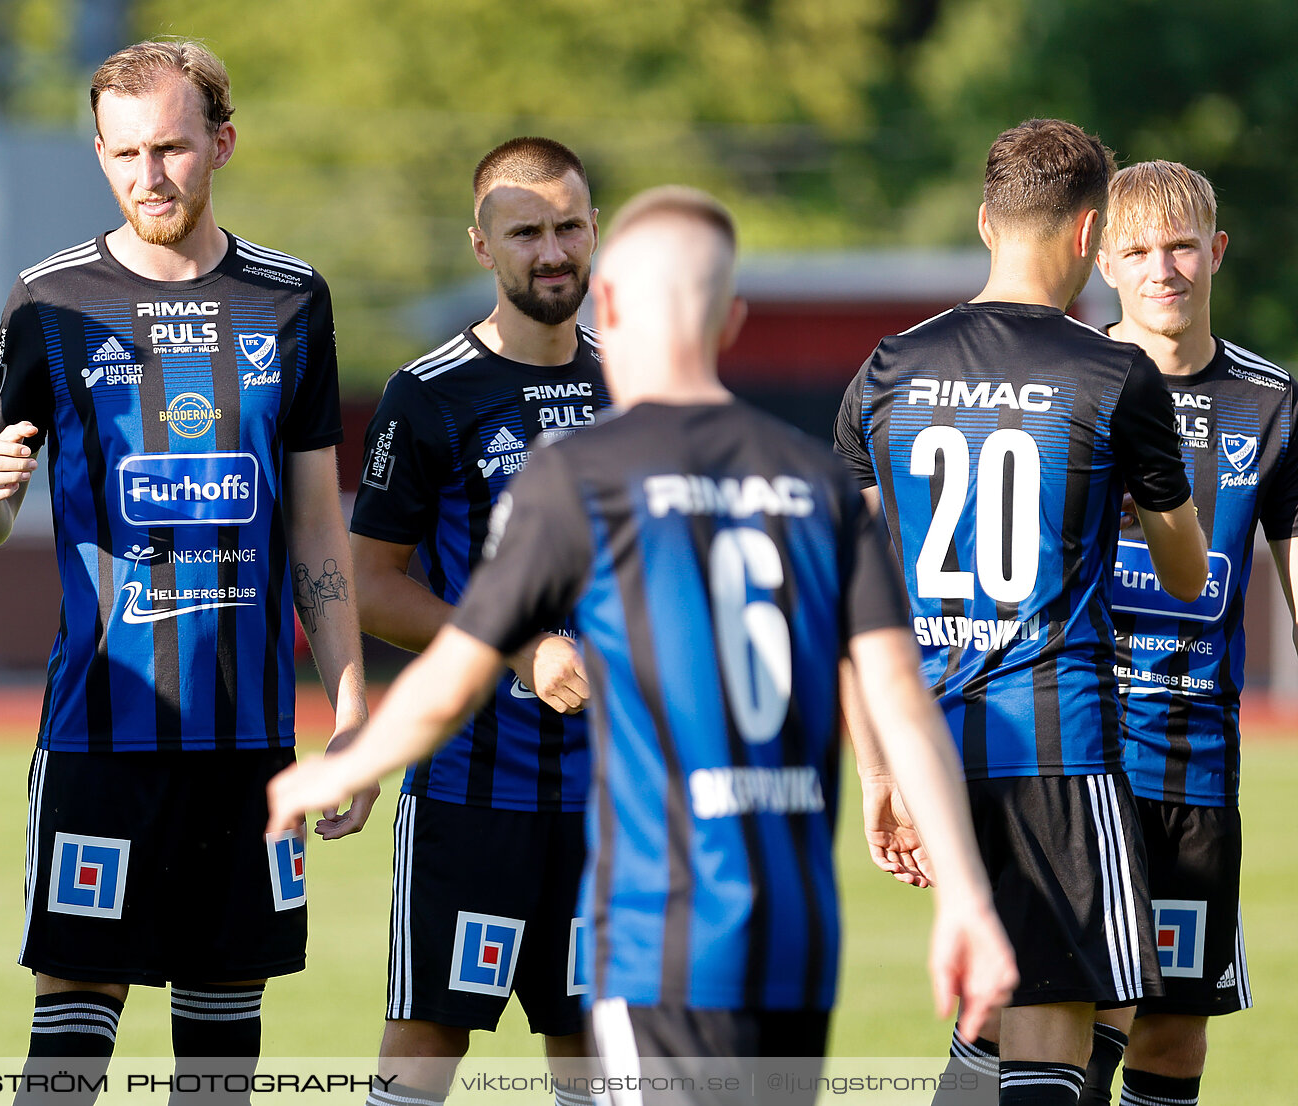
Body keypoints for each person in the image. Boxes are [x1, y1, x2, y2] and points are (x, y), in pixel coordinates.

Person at [270, 186, 1017, 1106]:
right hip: (790, 919)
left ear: (610, 303)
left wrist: (333, 765)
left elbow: (455, 667)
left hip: (652, 907)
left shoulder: (584, 472)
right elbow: (900, 698)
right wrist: (968, 901)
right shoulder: (816, 483)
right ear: (733, 319)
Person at [0, 39, 370, 1102]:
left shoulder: (293, 298)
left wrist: (355, 710)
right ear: (100, 154)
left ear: (221, 144)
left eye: (173, 148)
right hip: (102, 733)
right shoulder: (49, 300)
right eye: (126, 152)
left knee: (223, 1053)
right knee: (69, 1047)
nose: (150, 176)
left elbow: (319, 525)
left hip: (251, 738)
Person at [833, 119, 1211, 1105]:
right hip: (1057, 742)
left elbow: (846, 586)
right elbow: (1184, 570)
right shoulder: (1112, 372)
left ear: (982, 219)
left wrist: (875, 766)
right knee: (1065, 1022)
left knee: (1006, 1008)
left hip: (931, 741)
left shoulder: (888, 367)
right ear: (1090, 235)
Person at [349, 136, 605, 1106]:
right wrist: (519, 651)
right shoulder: (431, 395)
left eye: (569, 226)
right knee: (421, 1054)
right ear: (481, 245)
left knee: (600, 1058)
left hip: (613, 799)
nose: (551, 250)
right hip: (469, 788)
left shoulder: (635, 389)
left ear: (595, 231)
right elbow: (370, 583)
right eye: (526, 230)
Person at [1071, 160, 1298, 1106]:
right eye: (1137, 250)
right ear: (1105, 264)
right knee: (1077, 1018)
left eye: (1180, 245)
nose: (1162, 267)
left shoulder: (1272, 401)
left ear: (1217, 252)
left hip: (1199, 759)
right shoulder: (1066, 383)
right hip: (1078, 751)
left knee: (1173, 1041)